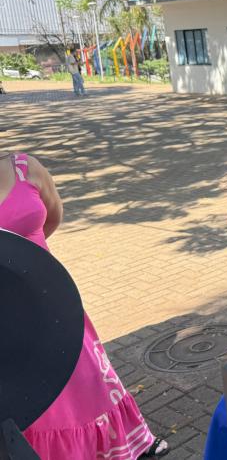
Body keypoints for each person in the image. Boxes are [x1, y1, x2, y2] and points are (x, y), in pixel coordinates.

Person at [0, 152, 168, 459]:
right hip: (6, 330)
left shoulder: (24, 168)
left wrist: (32, 260)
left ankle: (127, 444)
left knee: (91, 388)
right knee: (32, 410)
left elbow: (53, 216)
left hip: (50, 305)